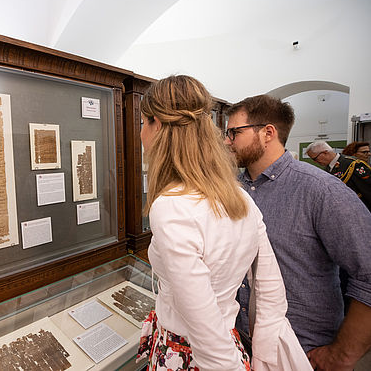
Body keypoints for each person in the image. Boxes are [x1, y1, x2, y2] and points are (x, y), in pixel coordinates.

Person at [136, 76, 310, 370]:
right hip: (231, 344)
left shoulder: (171, 207)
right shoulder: (240, 198)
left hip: (195, 356)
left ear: (159, 126)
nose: (141, 134)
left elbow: (203, 322)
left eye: (143, 123)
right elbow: (271, 292)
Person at [224, 94, 371, 371]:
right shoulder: (233, 190)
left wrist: (342, 355)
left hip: (304, 351)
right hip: (243, 349)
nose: (227, 140)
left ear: (268, 133)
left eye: (234, 132)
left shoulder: (321, 191)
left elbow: (368, 273)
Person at [306, 140, 371, 211]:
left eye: (315, 158)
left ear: (325, 152)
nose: (315, 162)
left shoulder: (353, 164)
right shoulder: (328, 168)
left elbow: (367, 191)